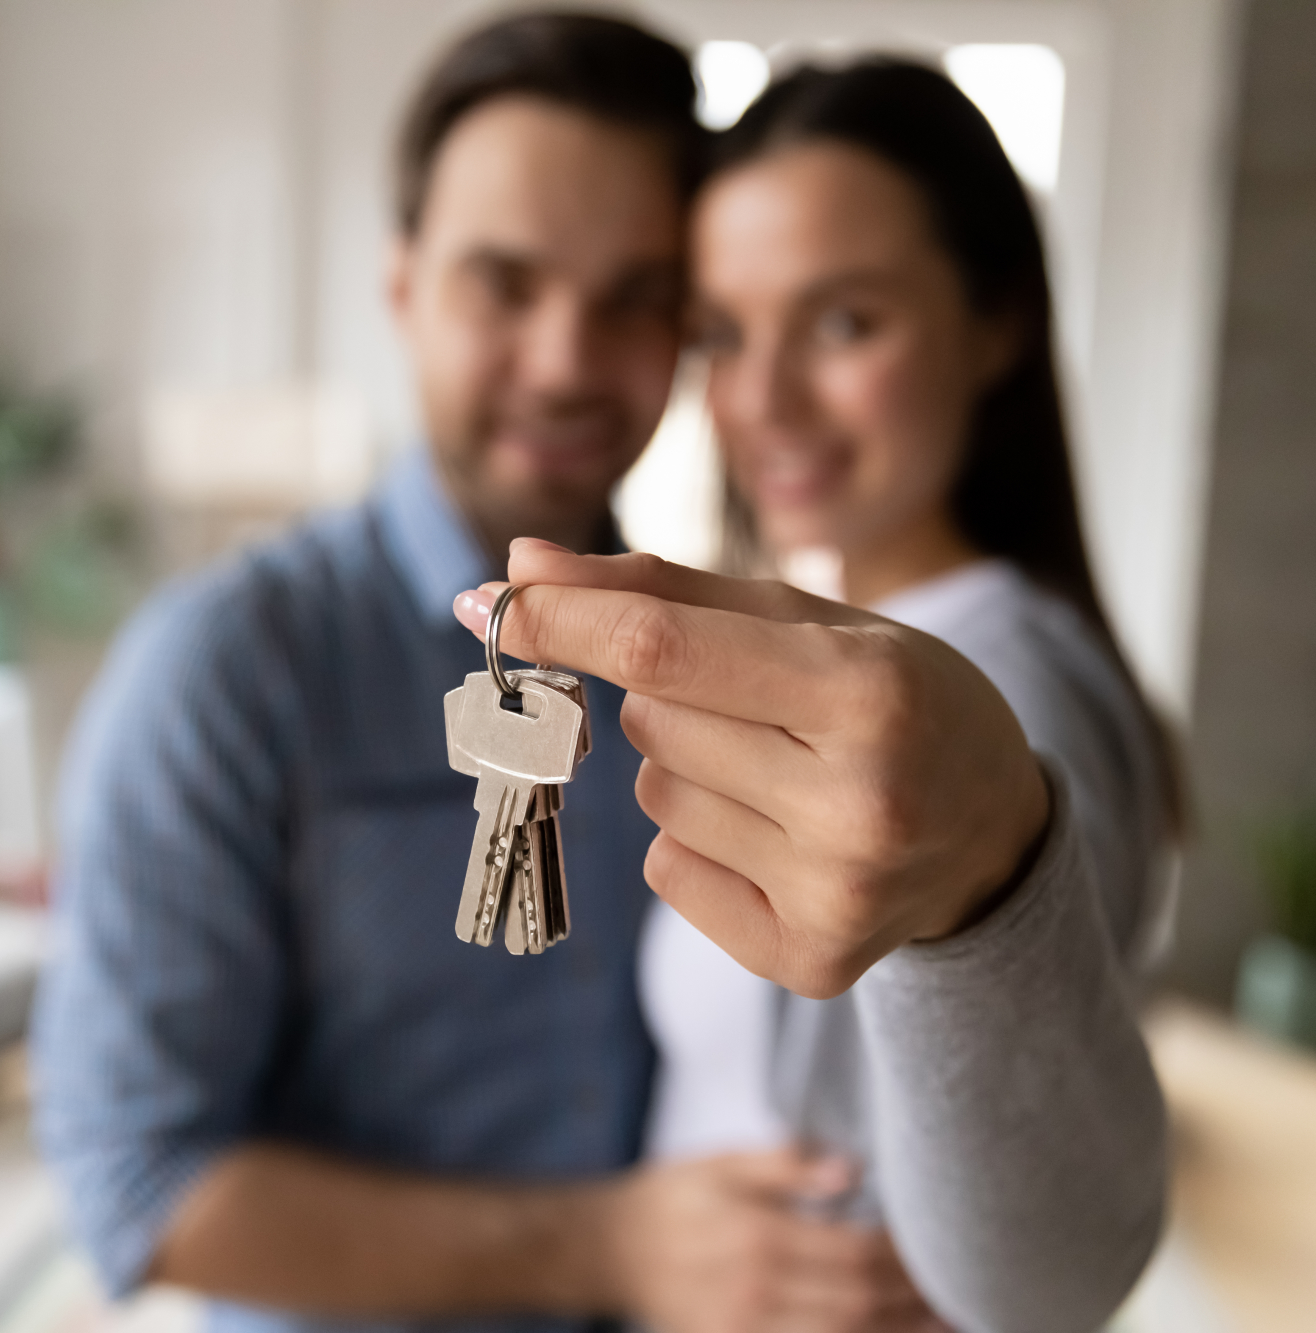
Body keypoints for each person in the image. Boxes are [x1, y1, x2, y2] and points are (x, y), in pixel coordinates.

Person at [35, 13, 877, 1331]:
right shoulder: (222, 674)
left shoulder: (718, 659)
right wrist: (607, 1249)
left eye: (632, 300)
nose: (564, 361)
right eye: (505, 282)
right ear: (403, 286)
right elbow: (139, 1183)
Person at [453, 59, 1176, 1333]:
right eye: (724, 333)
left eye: (844, 323)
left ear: (994, 321)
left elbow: (1045, 1284)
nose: (763, 400)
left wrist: (982, 896)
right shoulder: (802, 640)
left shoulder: (1010, 693)